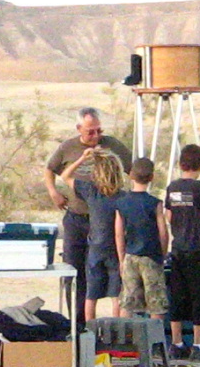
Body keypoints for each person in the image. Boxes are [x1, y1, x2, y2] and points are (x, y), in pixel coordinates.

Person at [44, 107, 133, 324]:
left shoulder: (113, 146)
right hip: (77, 217)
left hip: (106, 223)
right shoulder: (68, 147)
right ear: (79, 129)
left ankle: (114, 327)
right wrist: (53, 192)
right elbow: (51, 169)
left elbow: (133, 170)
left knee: (111, 276)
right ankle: (77, 322)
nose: (95, 136)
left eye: (99, 130)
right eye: (90, 132)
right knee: (74, 271)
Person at [59, 146, 125, 321]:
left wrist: (81, 159)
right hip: (115, 250)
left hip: (95, 248)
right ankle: (116, 329)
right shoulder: (122, 197)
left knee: (91, 294)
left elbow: (65, 176)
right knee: (116, 294)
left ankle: (90, 330)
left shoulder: (91, 191)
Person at [165, 144, 200, 362]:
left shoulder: (172, 187)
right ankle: (198, 344)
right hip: (198, 248)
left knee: (177, 295)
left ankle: (176, 343)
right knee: (199, 296)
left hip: (178, 248)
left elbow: (168, 216)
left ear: (181, 163)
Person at [114, 158, 168, 320]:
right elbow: (163, 232)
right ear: (151, 177)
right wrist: (162, 254)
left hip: (130, 256)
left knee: (128, 302)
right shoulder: (154, 203)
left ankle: (126, 341)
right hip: (151, 256)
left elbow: (118, 234)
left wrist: (121, 258)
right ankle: (155, 341)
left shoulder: (122, 203)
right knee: (156, 303)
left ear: (131, 175)